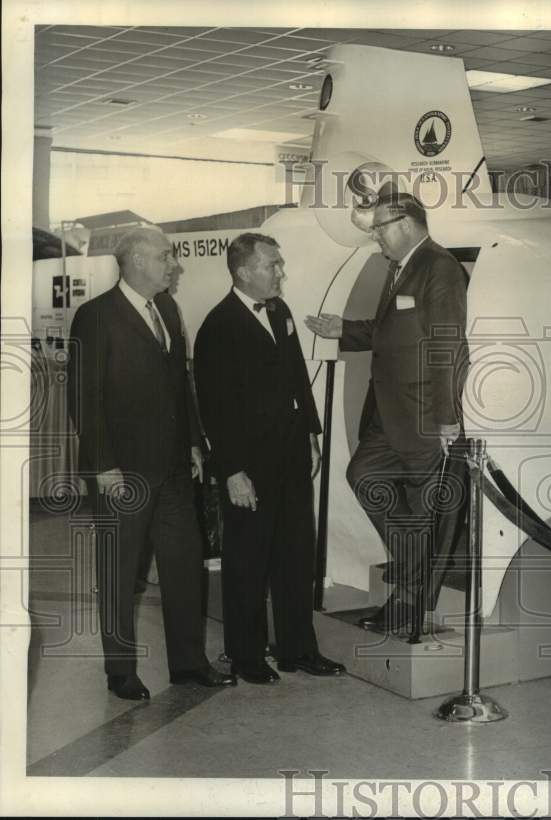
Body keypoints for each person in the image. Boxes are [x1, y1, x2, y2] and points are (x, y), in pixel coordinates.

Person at [68, 228, 235, 700]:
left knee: (185, 567)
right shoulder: (96, 316)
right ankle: (119, 671)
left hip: (175, 469)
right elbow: (85, 396)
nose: (173, 265)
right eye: (165, 257)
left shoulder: (166, 309)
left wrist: (194, 443)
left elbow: (180, 385)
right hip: (121, 472)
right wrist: (103, 465)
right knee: (120, 573)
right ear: (137, 260)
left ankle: (188, 664)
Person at [304, 193, 468, 632]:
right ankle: (415, 567)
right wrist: (345, 331)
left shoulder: (439, 267)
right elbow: (393, 330)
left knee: (423, 506)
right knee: (364, 476)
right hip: (391, 412)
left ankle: (408, 604)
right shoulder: (399, 268)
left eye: (379, 227)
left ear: (408, 223)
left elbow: (446, 345)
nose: (375, 236)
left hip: (423, 415)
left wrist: (447, 417)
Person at [193, 232, 344, 684]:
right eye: (272, 265)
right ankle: (245, 655)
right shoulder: (218, 326)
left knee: (297, 554)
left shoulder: (280, 311)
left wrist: (312, 436)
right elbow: (214, 408)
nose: (280, 272)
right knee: (247, 561)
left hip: (292, 454)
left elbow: (298, 375)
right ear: (244, 272)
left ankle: (298, 649)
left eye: (279, 264)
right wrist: (233, 471)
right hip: (249, 465)